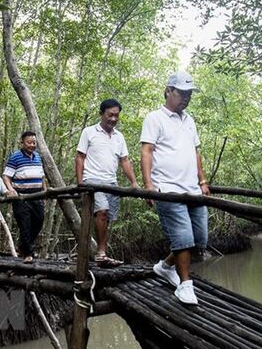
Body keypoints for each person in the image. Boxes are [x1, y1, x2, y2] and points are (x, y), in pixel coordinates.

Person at [140, 71, 210, 305]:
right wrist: (149, 185)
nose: (186, 98)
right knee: (183, 238)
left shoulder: (189, 120)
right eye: (181, 93)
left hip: (193, 189)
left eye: (189, 93)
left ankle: (165, 266)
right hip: (168, 188)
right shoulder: (154, 118)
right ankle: (185, 286)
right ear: (168, 91)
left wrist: (202, 181)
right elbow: (147, 151)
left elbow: (196, 151)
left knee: (198, 240)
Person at [75, 98, 138, 267]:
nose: (114, 119)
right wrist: (80, 182)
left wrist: (134, 182)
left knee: (109, 217)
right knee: (101, 212)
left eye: (117, 116)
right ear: (101, 114)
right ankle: (101, 252)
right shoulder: (89, 132)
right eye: (110, 115)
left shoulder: (119, 137)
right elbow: (80, 157)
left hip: (111, 181)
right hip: (93, 180)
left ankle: (102, 251)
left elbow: (124, 161)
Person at [3, 131, 45, 264]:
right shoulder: (15, 157)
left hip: (37, 196)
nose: (32, 145)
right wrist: (11, 190)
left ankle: (23, 246)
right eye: (29, 142)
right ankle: (27, 253)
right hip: (21, 197)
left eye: (34, 142)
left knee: (39, 221)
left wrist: (44, 191)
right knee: (25, 224)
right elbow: (6, 176)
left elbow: (41, 176)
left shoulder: (38, 157)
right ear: (22, 143)